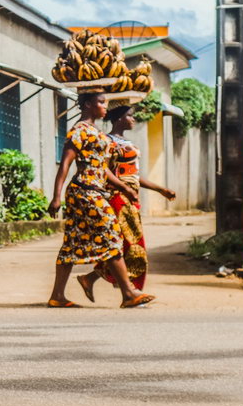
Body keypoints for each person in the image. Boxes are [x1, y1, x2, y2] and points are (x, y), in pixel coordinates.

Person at [47, 91, 156, 309]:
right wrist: (56, 196)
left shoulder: (96, 132)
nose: (105, 107)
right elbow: (66, 164)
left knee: (71, 244)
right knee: (112, 235)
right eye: (101, 102)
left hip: (94, 191)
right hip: (85, 192)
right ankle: (128, 293)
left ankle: (57, 295)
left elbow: (102, 169)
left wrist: (124, 187)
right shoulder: (79, 131)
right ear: (88, 104)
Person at [75, 104, 176, 301]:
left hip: (129, 198)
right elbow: (104, 171)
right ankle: (130, 291)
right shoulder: (108, 143)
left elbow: (133, 176)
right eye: (130, 116)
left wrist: (160, 189)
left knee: (124, 245)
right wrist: (123, 189)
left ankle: (92, 279)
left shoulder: (127, 143)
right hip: (117, 199)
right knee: (132, 245)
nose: (133, 119)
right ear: (120, 118)